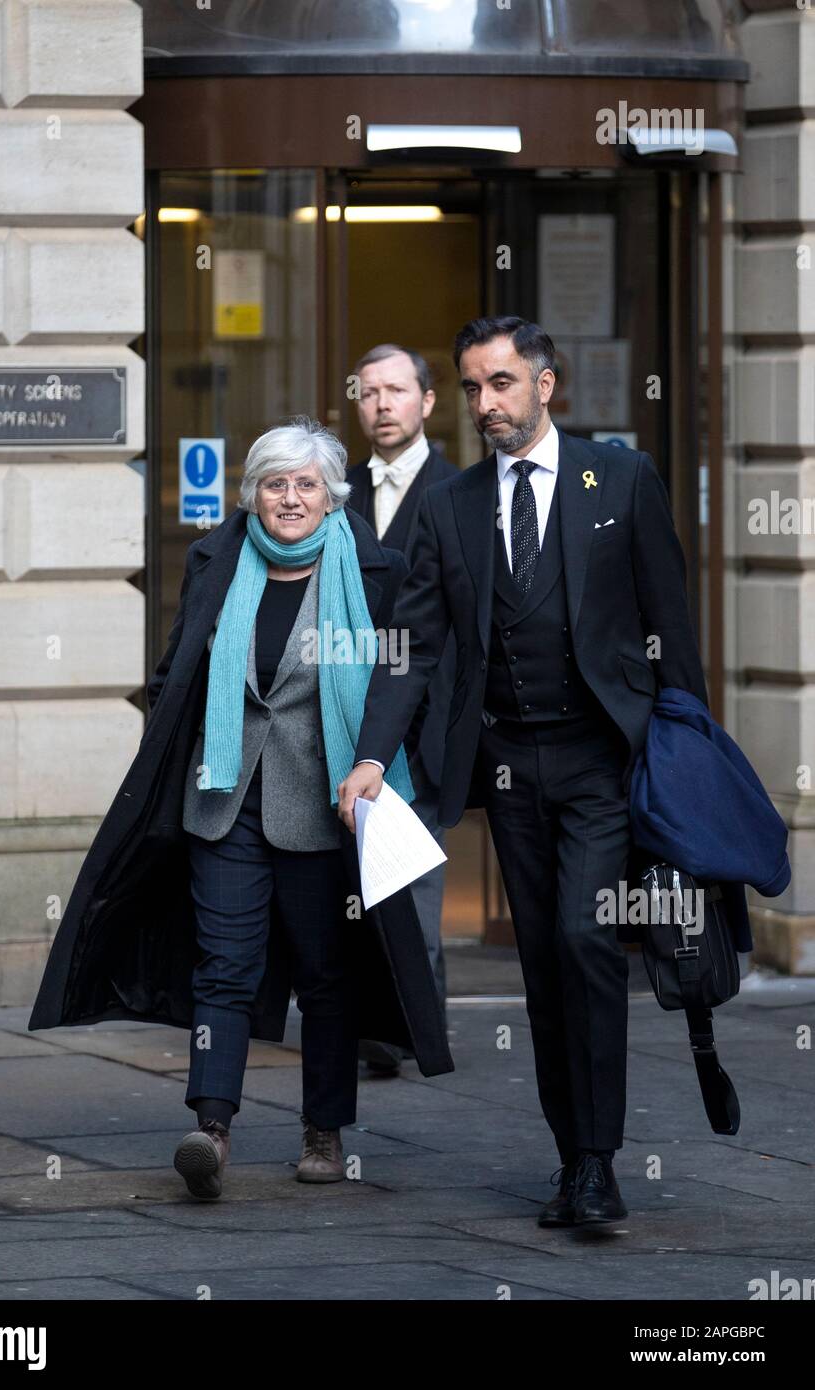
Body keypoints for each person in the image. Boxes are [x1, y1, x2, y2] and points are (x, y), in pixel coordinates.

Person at [337, 316, 708, 1228]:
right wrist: (374, 752)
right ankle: (573, 1159)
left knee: (587, 941)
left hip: (600, 761)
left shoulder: (617, 478)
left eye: (500, 383)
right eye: (470, 387)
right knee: (544, 962)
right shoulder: (452, 503)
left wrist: (690, 755)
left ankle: (600, 1161)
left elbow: (672, 627)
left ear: (546, 384)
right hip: (508, 768)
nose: (484, 404)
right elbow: (412, 643)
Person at [28, 417, 453, 1202]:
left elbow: (405, 687)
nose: (290, 498)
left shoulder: (375, 570)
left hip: (327, 809)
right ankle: (211, 1127)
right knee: (221, 968)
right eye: (274, 483)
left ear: (332, 496)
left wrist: (378, 769)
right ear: (251, 493)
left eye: (306, 484)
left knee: (326, 979)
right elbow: (177, 669)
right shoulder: (217, 560)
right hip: (223, 800)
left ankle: (323, 1130)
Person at [345, 344, 458, 1075]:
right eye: (368, 393)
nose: (382, 404)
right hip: (348, 705)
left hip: (428, 714)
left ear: (427, 401)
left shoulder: (461, 489)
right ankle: (366, 1027)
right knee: (353, 876)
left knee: (413, 878)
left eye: (397, 390)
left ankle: (420, 1025)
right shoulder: (335, 489)